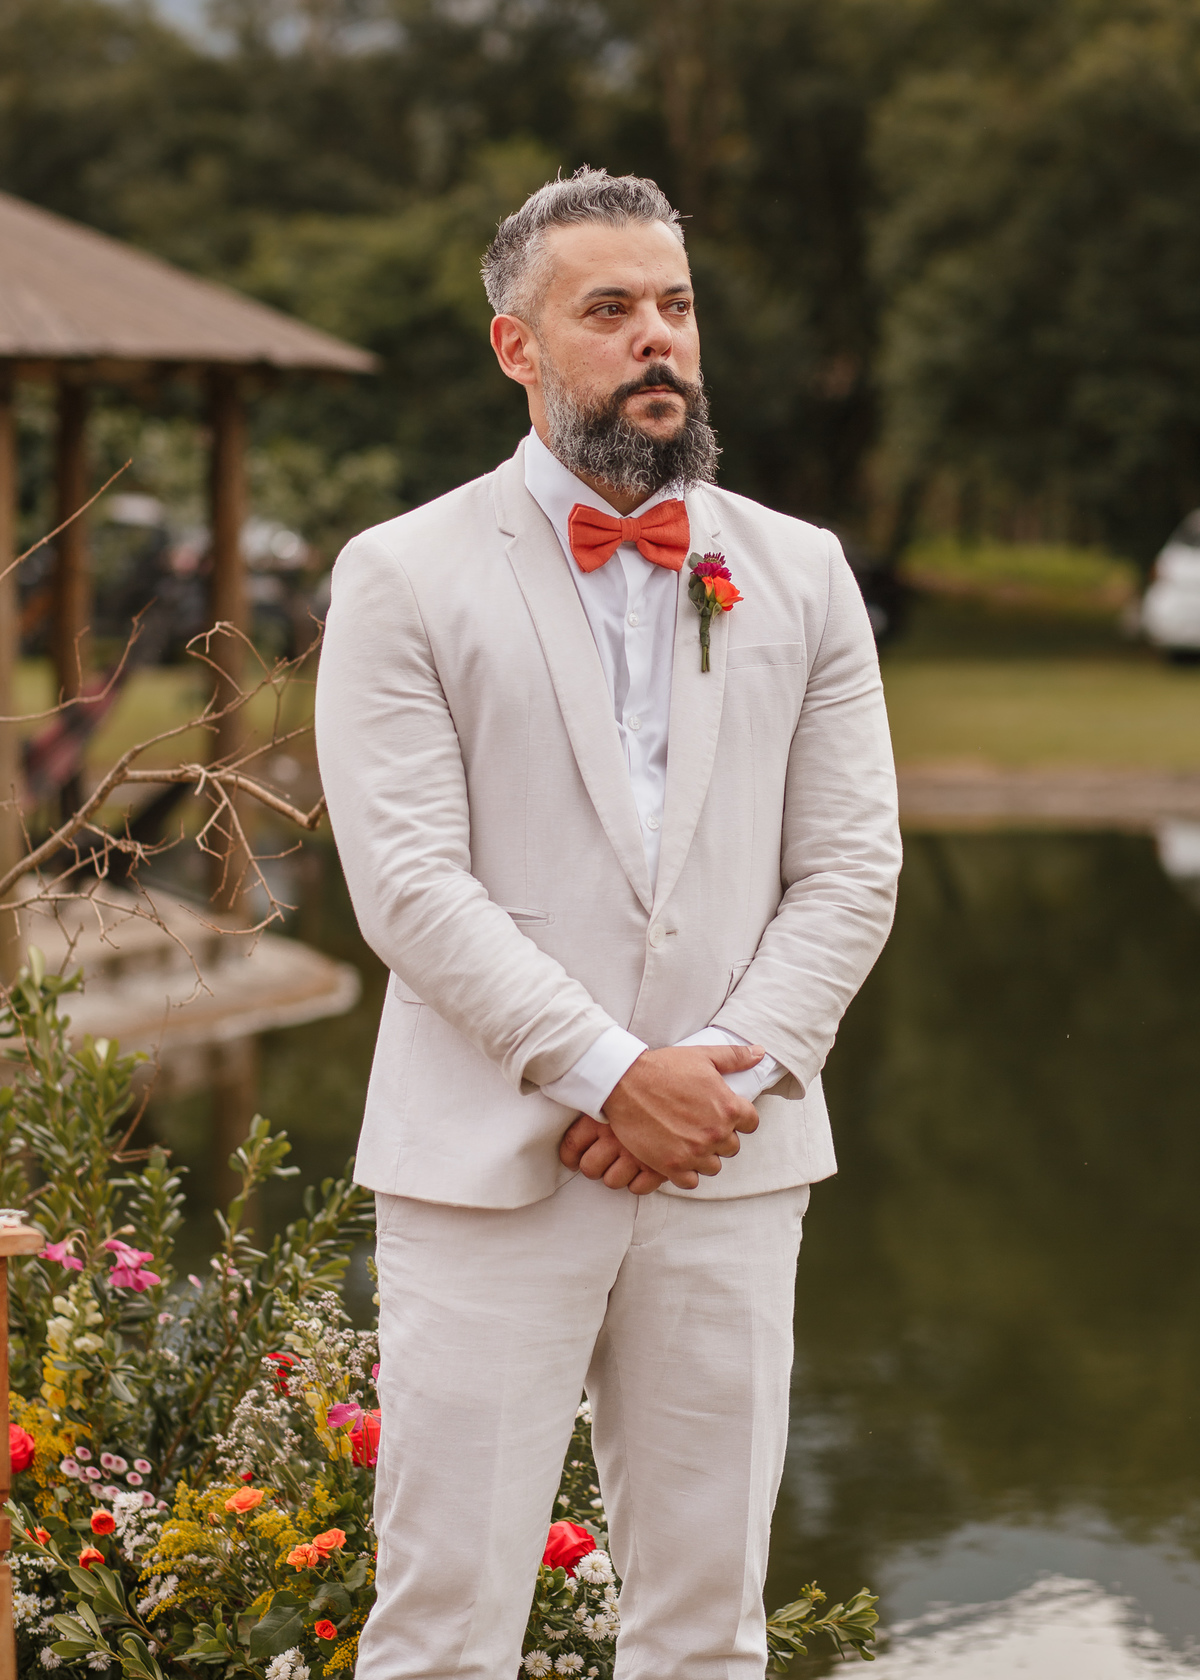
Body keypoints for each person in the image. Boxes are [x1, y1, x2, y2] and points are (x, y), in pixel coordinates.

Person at [315, 167, 902, 1680]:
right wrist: (603, 1071)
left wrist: (713, 1071)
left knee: (708, 1629)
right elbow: (410, 887)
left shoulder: (804, 572)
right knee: (444, 1625)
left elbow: (851, 867)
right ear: (517, 345)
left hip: (731, 1156)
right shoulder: (401, 574)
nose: (660, 340)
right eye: (612, 309)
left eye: (677, 306)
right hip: (486, 1175)